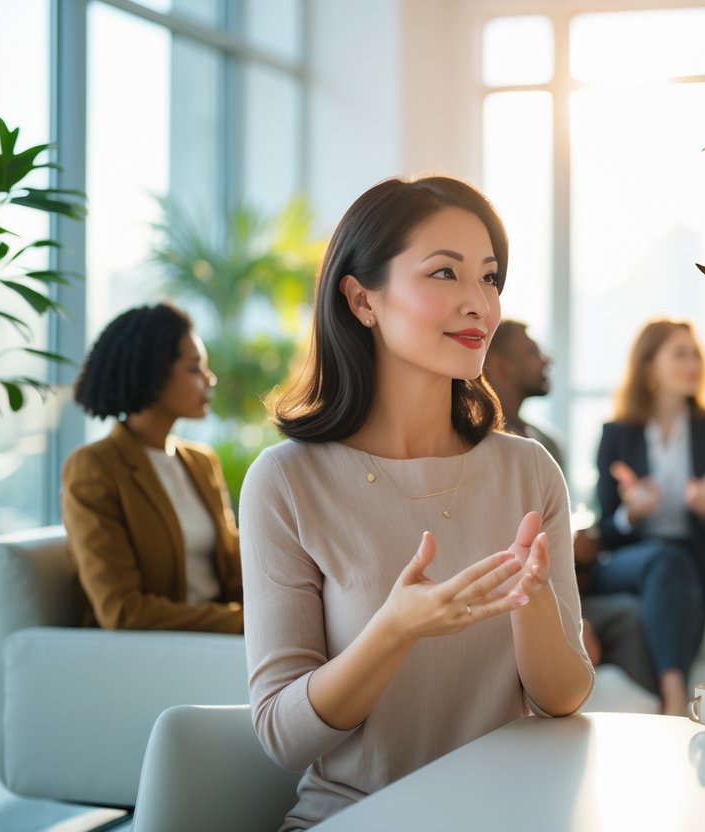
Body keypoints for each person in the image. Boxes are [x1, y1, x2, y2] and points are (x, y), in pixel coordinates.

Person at [239, 176, 594, 830]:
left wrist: (533, 596)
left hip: (504, 815)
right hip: (355, 817)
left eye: (489, 279)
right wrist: (394, 630)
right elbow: (281, 736)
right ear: (361, 299)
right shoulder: (286, 482)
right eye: (443, 274)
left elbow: (564, 697)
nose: (478, 304)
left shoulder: (529, 469)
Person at [484, 319, 657, 695]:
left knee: (629, 614)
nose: (546, 359)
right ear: (500, 366)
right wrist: (571, 620)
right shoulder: (484, 446)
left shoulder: (547, 442)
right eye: (532, 352)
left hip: (567, 580)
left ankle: (650, 716)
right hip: (521, 594)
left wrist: (584, 539)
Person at [61, 303, 243, 632]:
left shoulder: (201, 462)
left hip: (224, 645)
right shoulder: (94, 468)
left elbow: (235, 571)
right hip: (152, 656)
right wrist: (245, 622)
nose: (209, 379)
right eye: (194, 368)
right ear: (152, 372)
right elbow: (122, 612)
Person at [594, 318, 705, 715]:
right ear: (648, 367)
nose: (693, 363)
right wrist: (630, 514)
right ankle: (677, 695)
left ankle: (671, 692)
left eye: (695, 354)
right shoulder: (617, 433)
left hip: (692, 561)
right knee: (665, 561)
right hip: (635, 560)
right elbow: (605, 534)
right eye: (679, 354)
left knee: (677, 572)